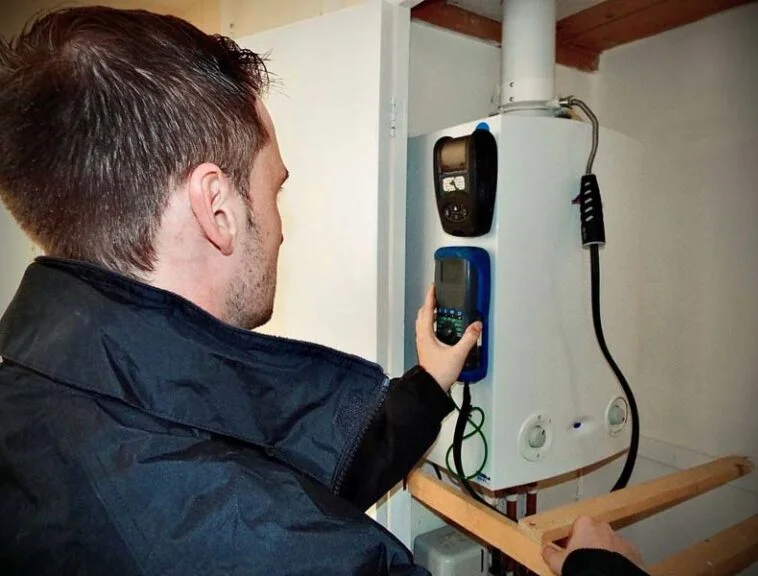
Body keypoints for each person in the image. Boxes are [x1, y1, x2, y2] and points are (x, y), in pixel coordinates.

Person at [0, 7, 647, 575]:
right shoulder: (266, 551)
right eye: (274, 189)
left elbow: (300, 476)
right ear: (218, 209)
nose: (281, 228)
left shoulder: (52, 393)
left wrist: (430, 381)